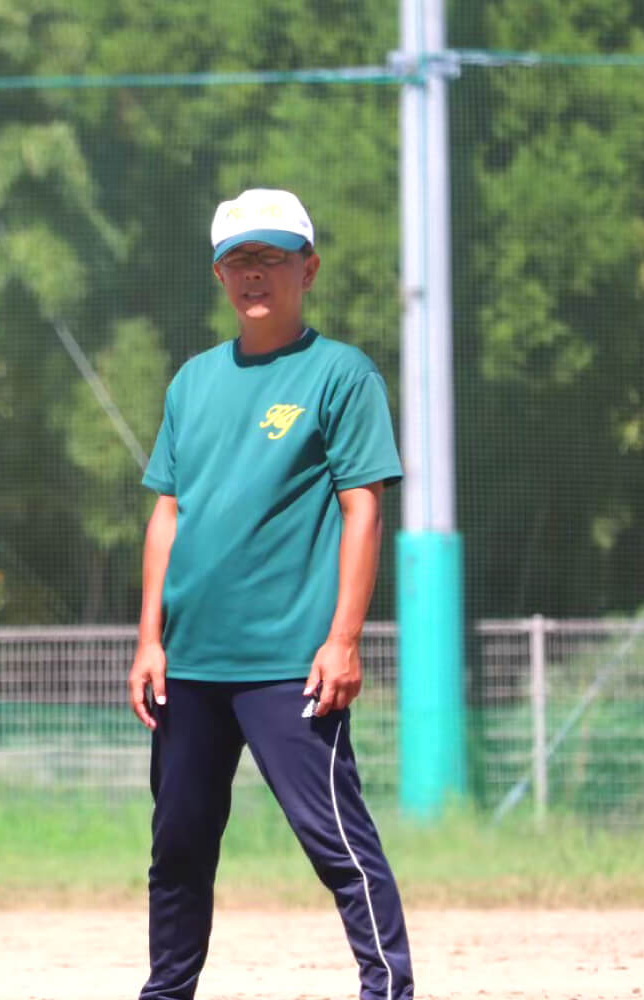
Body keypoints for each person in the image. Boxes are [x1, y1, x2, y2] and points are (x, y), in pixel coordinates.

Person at [128, 188, 414, 1000]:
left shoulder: (340, 375)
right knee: (178, 847)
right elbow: (167, 513)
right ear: (220, 275)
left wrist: (344, 638)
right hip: (190, 664)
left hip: (290, 662)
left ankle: (388, 990)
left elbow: (364, 508)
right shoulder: (192, 382)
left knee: (335, 843)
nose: (254, 275)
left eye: (272, 259)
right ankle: (167, 992)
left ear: (307, 269)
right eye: (239, 261)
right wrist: (150, 638)